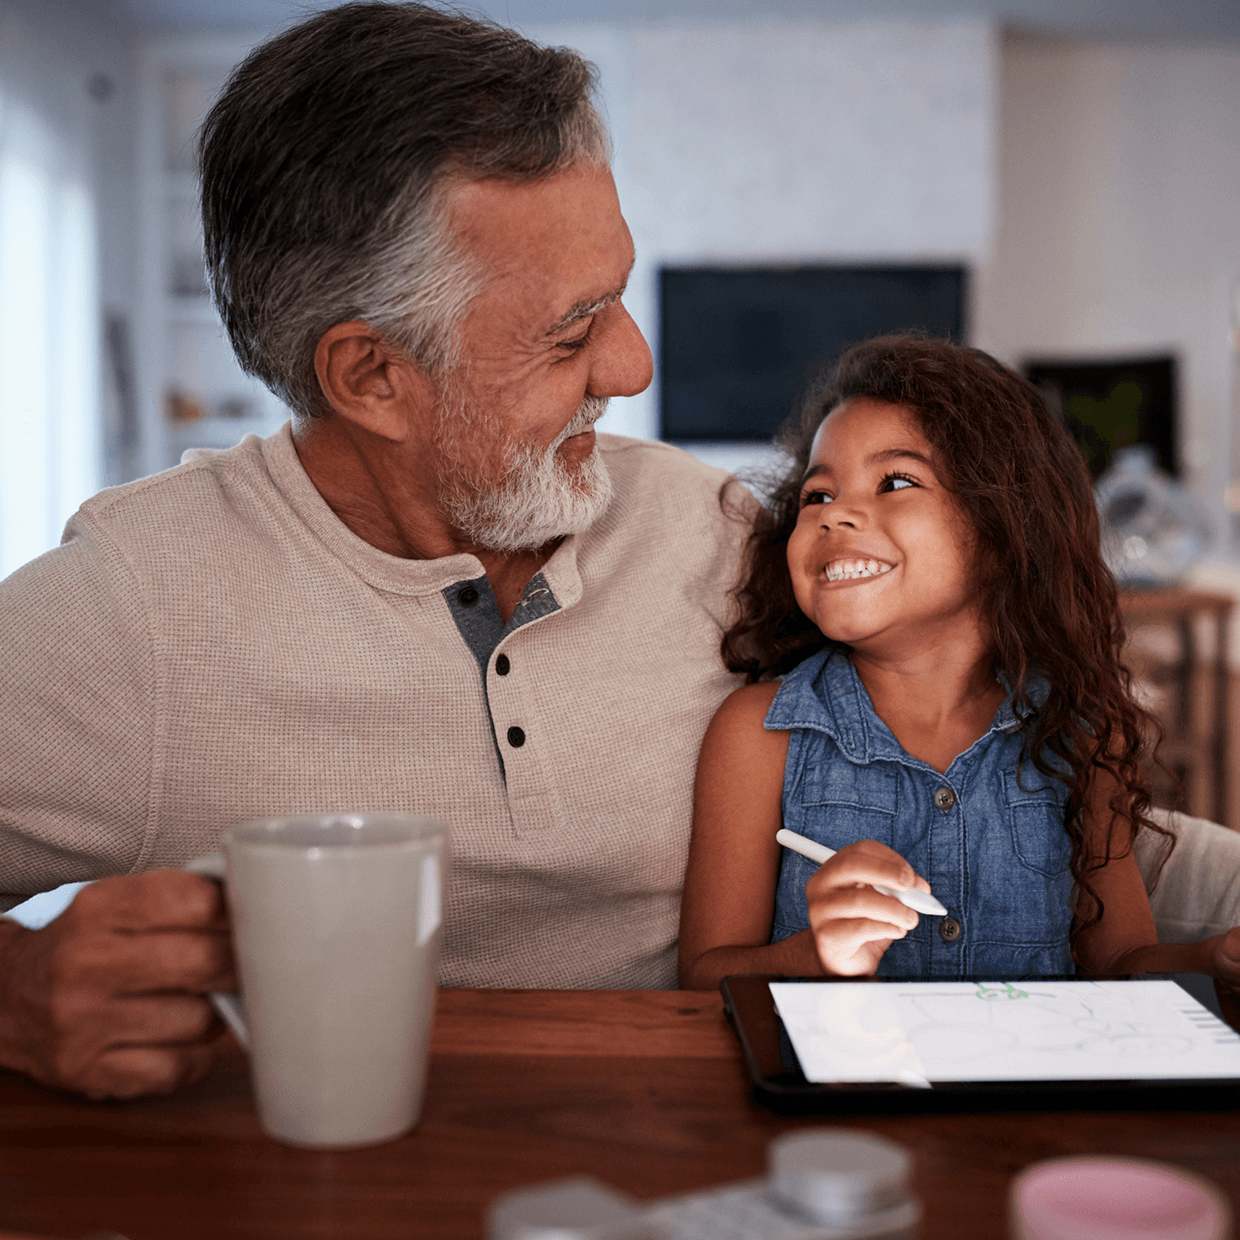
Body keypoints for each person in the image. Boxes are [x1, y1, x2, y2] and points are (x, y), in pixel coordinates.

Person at [0, 2, 747, 1099]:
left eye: (619, 297)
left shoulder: (722, 539)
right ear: (370, 377)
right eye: (571, 329)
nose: (631, 368)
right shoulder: (132, 611)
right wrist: (14, 993)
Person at [678, 336, 1240, 990]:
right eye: (816, 496)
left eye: (895, 481)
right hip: (846, 1092)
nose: (836, 516)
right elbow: (703, 978)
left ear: (1002, 529)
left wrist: (1213, 961)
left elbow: (1118, 965)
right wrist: (816, 959)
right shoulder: (758, 735)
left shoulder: (1080, 737)